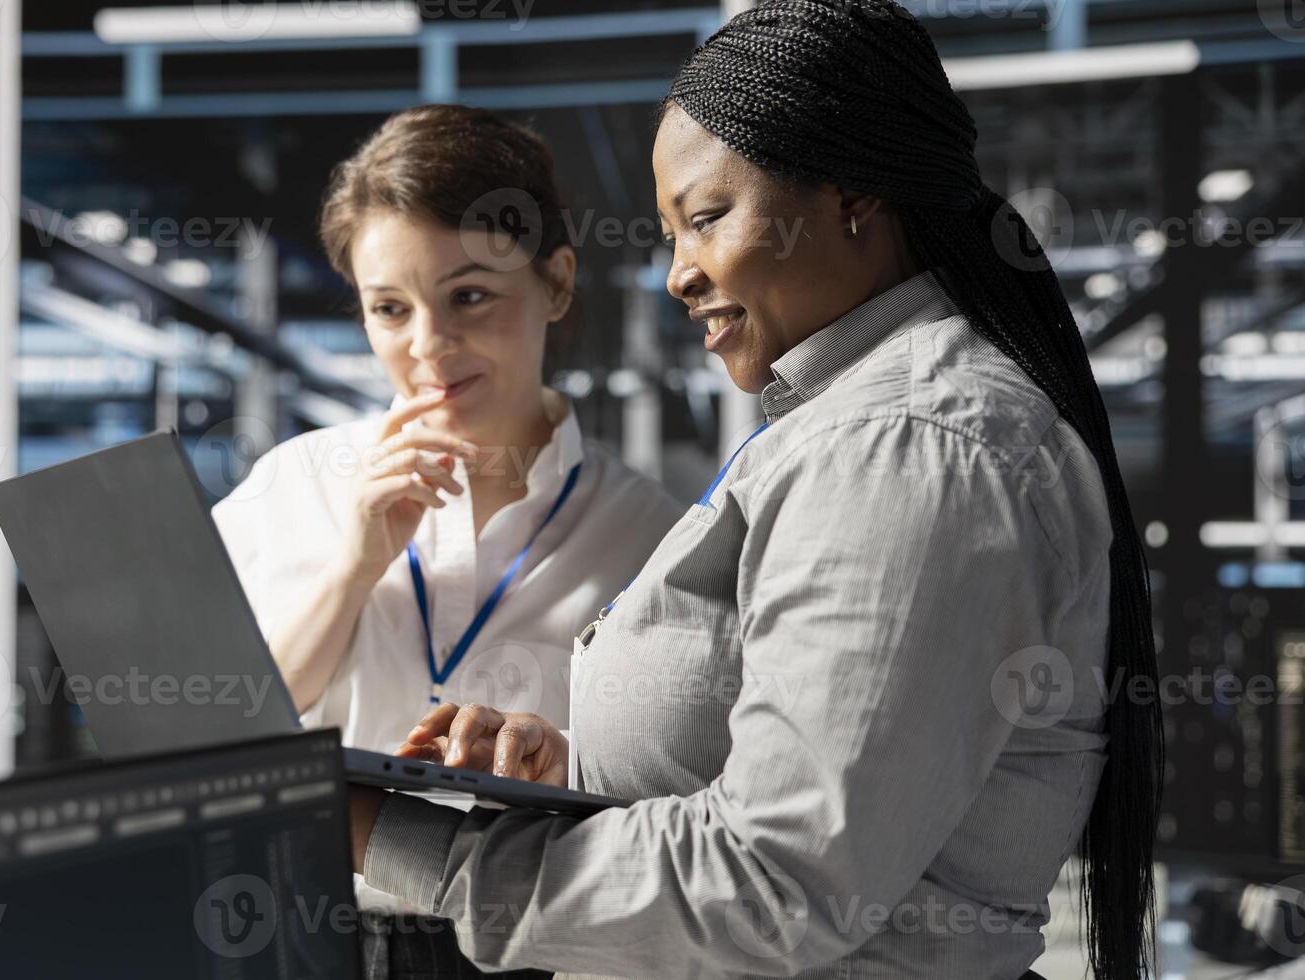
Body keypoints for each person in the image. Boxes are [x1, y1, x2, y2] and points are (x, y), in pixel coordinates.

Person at [346, 3, 1163, 979]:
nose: (678, 275)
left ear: (854, 194)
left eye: (707, 218)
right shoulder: (840, 429)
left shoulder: (904, 446)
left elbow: (783, 877)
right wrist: (575, 774)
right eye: (669, 234)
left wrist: (402, 841)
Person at [211, 104, 681, 976]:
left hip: (533, 949)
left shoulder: (653, 538)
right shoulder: (292, 486)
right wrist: (350, 571)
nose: (429, 346)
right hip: (300, 938)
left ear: (557, 283)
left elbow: (672, 804)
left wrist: (565, 764)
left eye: (470, 296)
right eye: (389, 308)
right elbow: (201, 739)